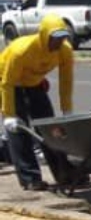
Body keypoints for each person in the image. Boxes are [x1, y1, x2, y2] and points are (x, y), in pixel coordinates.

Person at [0, 15, 75, 191]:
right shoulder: (22, 51)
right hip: (8, 82)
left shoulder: (65, 50)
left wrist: (67, 110)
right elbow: (7, 83)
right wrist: (9, 115)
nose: (58, 42)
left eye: (62, 37)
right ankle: (30, 178)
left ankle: (64, 173)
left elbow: (66, 80)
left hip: (34, 83)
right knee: (20, 130)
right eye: (55, 38)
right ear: (44, 35)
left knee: (50, 127)